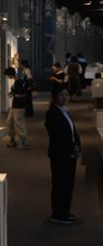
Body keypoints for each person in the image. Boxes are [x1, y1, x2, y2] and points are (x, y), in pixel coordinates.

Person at [45, 85, 80, 224]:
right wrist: (72, 147)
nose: (64, 98)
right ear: (55, 97)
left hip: (69, 154)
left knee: (68, 184)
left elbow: (73, 131)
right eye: (61, 95)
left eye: (66, 95)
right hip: (60, 154)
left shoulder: (65, 111)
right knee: (60, 184)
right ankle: (58, 214)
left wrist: (77, 145)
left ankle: (65, 211)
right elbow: (57, 136)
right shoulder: (52, 113)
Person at [4, 67, 29, 149]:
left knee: (19, 124)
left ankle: (24, 142)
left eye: (8, 75)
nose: (7, 77)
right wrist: (13, 93)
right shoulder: (16, 81)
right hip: (15, 105)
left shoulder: (20, 81)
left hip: (19, 106)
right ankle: (12, 140)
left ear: (10, 74)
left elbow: (23, 93)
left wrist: (15, 94)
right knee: (9, 123)